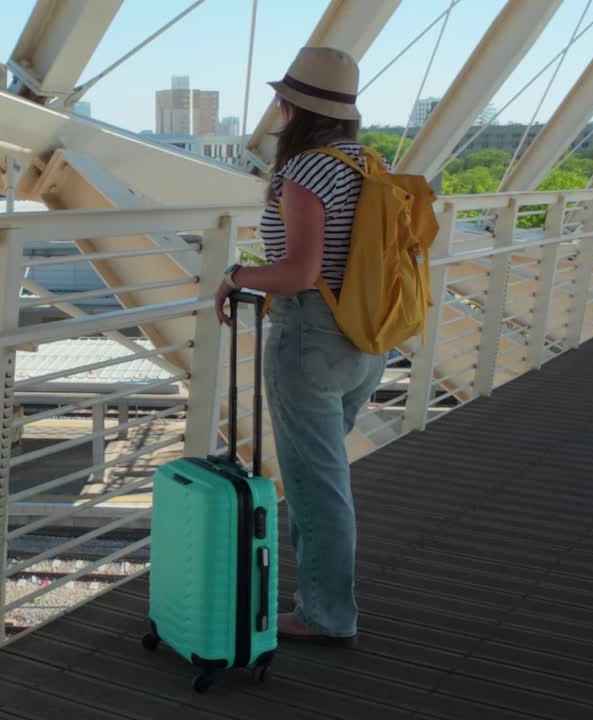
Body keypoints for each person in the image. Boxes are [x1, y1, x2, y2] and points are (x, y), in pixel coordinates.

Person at [213, 46, 386, 646]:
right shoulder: (365, 163)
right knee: (322, 480)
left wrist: (237, 277)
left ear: (291, 104)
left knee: (318, 488)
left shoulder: (308, 170)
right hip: (364, 339)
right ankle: (317, 595)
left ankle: (326, 616)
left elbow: (300, 272)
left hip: (310, 340)